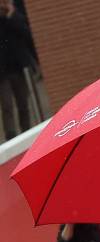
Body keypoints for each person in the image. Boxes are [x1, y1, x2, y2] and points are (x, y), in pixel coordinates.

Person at [0, 0, 32, 140]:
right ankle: (11, 137)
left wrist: (11, 16)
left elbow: (26, 33)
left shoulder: (16, 14)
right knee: (7, 105)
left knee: (23, 102)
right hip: (2, 72)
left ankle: (26, 132)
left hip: (18, 67)